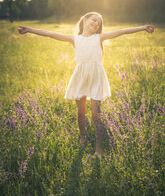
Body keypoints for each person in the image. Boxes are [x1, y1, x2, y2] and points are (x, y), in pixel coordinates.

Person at [18, 12, 154, 158]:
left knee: (96, 115)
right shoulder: (74, 39)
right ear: (84, 20)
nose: (96, 24)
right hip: (80, 77)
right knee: (81, 113)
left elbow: (122, 32)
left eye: (99, 23)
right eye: (94, 20)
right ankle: (83, 138)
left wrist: (143, 27)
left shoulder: (99, 37)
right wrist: (29, 29)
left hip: (96, 77)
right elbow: (50, 34)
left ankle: (99, 150)